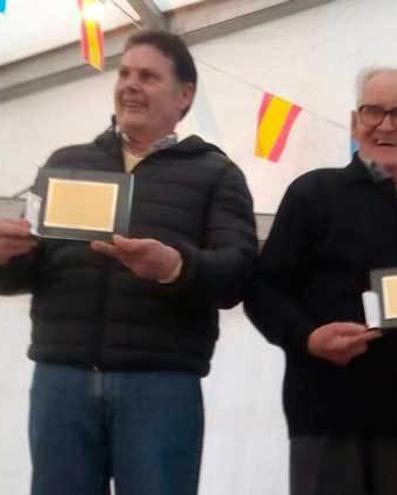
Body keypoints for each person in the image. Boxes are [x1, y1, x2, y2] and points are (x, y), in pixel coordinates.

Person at [0, 29, 257, 495]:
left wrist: (174, 267)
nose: (130, 85)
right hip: (62, 380)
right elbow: (29, 270)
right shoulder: (67, 162)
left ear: (184, 96)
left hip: (159, 385)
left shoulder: (215, 174)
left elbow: (237, 274)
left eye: (148, 76)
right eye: (124, 74)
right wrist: (5, 259)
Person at [244, 66, 397, 495]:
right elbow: (263, 290)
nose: (385, 125)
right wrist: (307, 338)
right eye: (373, 111)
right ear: (355, 121)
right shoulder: (312, 194)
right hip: (325, 415)